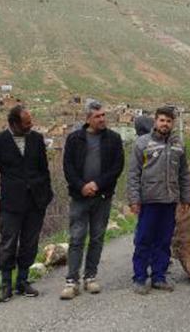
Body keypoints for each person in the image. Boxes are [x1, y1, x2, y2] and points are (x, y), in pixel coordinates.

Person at [0, 105, 53, 303]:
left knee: (30, 243)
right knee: (8, 243)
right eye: (27, 123)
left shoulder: (36, 139)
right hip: (11, 203)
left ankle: (23, 281)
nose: (31, 125)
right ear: (14, 124)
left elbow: (44, 170)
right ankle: (6, 285)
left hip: (36, 202)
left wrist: (46, 195)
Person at [60, 100, 125, 300]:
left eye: (103, 115)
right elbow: (68, 167)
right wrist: (82, 186)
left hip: (102, 196)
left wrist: (97, 184)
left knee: (97, 237)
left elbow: (117, 167)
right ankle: (72, 281)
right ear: (88, 118)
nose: (102, 119)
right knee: (77, 238)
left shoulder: (113, 139)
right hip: (80, 197)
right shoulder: (74, 139)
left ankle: (90, 277)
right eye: (98, 116)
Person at [126, 106, 190, 294]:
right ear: (155, 121)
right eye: (162, 120)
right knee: (144, 239)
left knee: (164, 240)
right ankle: (139, 278)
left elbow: (184, 174)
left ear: (173, 123)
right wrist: (134, 199)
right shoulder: (142, 144)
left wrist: (186, 197)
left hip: (170, 200)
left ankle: (159, 276)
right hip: (149, 200)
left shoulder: (178, 144)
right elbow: (133, 174)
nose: (165, 124)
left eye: (169, 121)